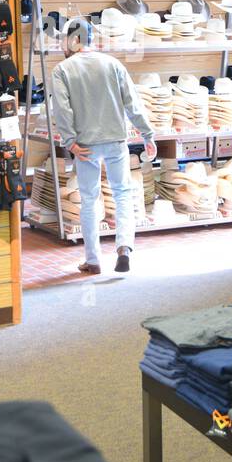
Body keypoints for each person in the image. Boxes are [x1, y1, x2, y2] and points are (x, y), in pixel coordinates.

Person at [47, 18, 156, 274]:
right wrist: (147, 134)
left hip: (85, 145)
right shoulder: (113, 64)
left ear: (74, 40)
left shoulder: (62, 70)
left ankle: (93, 260)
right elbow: (133, 103)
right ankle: (124, 248)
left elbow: (62, 110)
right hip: (116, 140)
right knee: (122, 194)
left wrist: (70, 141)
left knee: (88, 200)